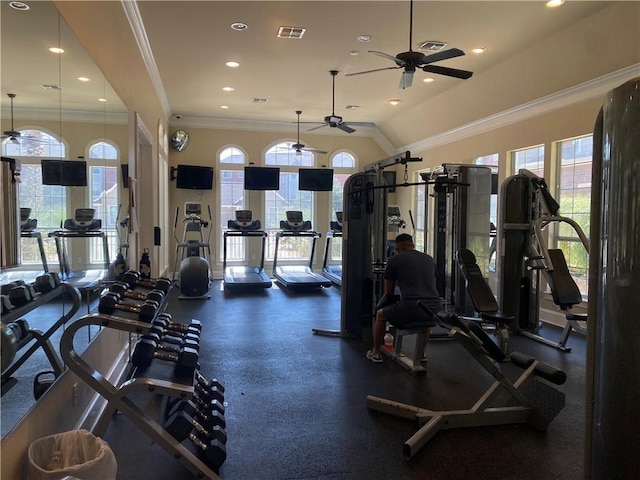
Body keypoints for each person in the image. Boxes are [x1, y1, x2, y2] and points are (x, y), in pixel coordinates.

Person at [366, 233, 441, 363]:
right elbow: (431, 283)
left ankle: (376, 352)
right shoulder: (429, 259)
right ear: (412, 245)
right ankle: (422, 353)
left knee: (380, 315)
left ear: (397, 248)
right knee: (426, 313)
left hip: (412, 307)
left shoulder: (394, 260)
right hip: (434, 307)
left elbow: (389, 292)